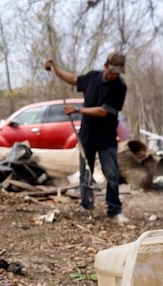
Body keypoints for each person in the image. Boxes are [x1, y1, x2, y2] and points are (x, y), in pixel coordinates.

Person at [44, 52, 128, 222]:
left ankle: (114, 210)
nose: (114, 75)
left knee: (111, 175)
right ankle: (86, 205)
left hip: (107, 138)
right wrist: (56, 69)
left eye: (117, 73)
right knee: (85, 173)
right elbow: (74, 79)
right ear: (106, 66)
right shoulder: (92, 77)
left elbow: (103, 111)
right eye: (112, 71)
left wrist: (77, 109)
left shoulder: (120, 87)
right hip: (87, 135)